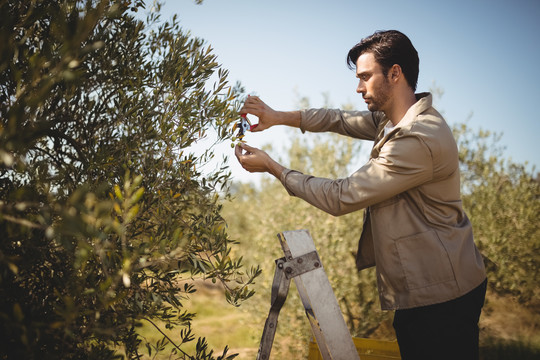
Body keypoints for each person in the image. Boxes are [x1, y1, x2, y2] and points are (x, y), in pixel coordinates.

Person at [234, 30, 487, 360]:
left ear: (395, 74)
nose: (358, 87)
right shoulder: (392, 118)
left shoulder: (418, 138)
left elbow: (343, 196)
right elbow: (339, 119)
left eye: (366, 77)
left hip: (442, 296)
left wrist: (273, 167)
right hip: (426, 289)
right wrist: (278, 117)